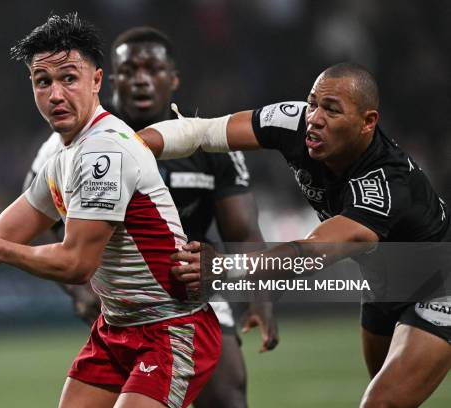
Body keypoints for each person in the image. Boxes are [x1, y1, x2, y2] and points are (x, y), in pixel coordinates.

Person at [0, 14, 221, 408]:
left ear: (97, 80)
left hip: (171, 326)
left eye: (68, 78)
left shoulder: (103, 150)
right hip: (117, 327)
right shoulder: (64, 157)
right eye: (43, 81)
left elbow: (75, 264)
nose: (55, 94)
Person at [138, 62, 451, 408]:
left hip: (439, 287)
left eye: (331, 110)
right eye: (313, 102)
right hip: (383, 284)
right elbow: (201, 132)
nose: (315, 117)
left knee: (380, 404)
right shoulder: (296, 122)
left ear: (368, 122)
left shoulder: (385, 185)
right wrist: (130, 147)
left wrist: (225, 269)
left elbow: (312, 251)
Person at [23, 27, 279, 408]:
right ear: (108, 80)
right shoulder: (73, 141)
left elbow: (241, 228)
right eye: (129, 70)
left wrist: (261, 299)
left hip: (193, 292)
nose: (140, 79)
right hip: (121, 297)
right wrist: (80, 291)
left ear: (172, 78)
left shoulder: (206, 143)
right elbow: (33, 225)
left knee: (227, 392)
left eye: (152, 69)